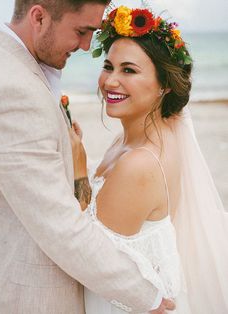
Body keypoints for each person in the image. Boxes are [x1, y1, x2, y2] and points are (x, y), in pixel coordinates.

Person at [0, 1, 176, 313]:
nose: (87, 45)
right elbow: (60, 227)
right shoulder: (13, 86)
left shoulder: (20, 69)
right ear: (39, 17)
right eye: (81, 31)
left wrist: (80, 169)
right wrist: (149, 298)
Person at [69, 5, 228, 314]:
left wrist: (78, 169)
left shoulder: (140, 162)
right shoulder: (149, 132)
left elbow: (87, 252)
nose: (110, 81)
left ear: (164, 85)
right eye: (108, 66)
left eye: (129, 70)